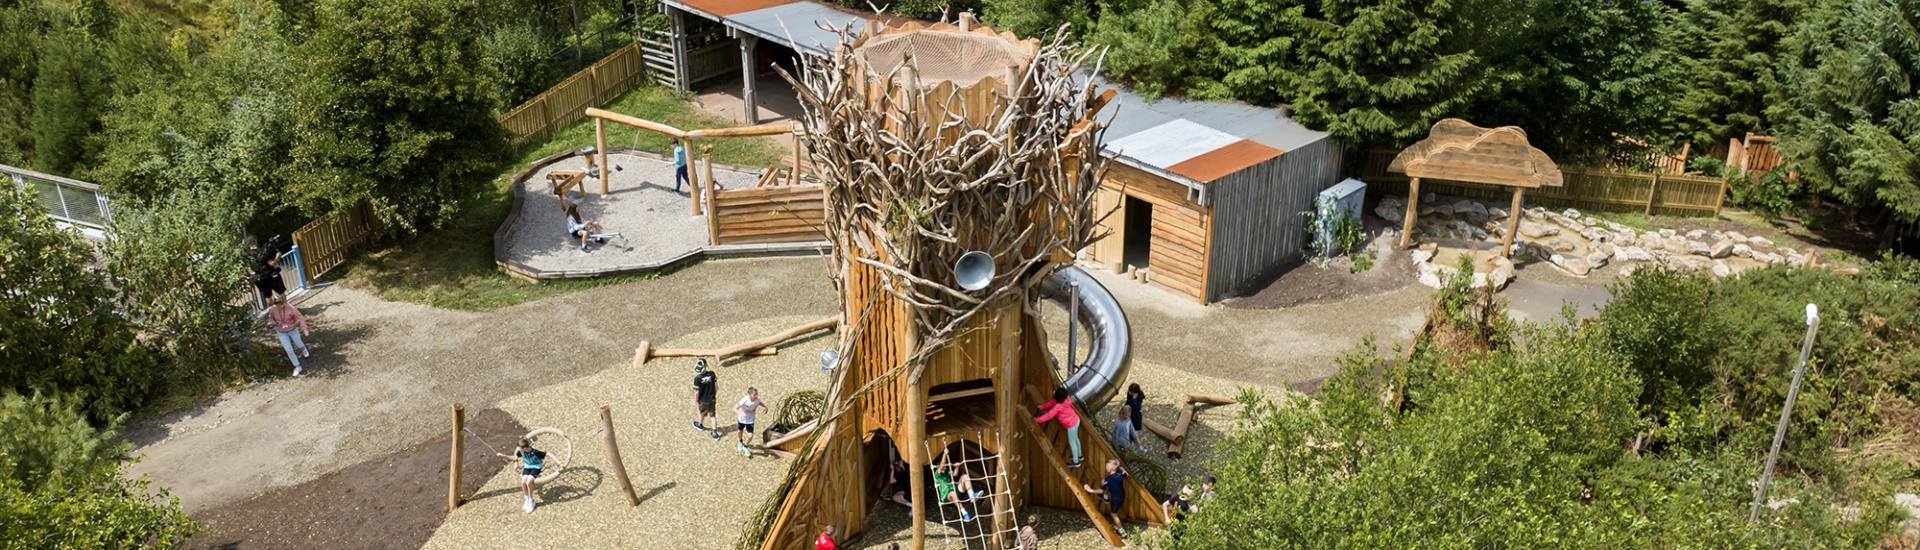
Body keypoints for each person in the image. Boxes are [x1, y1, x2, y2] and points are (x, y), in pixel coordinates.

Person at [1033, 387, 1083, 468]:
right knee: (1076, 439)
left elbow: (1049, 415)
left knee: (1072, 442)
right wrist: (1042, 407)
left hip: (1071, 425)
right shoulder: (1066, 399)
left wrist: (1038, 420)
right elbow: (1051, 403)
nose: (1054, 390)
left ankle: (1076, 462)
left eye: (1055, 391)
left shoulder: (1058, 406)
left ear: (1058, 396)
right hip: (1076, 420)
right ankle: (1080, 456)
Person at [496, 438, 547, 513]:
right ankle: (526, 499)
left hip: (536, 467)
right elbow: (515, 458)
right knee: (523, 481)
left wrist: (558, 462)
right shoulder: (521, 451)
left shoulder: (535, 452)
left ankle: (531, 501)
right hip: (527, 467)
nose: (518, 450)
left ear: (525, 448)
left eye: (520, 448)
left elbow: (547, 454)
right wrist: (503, 456)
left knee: (529, 481)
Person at [264, 295, 310, 376]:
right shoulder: (272, 309)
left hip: (293, 329)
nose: (279, 306)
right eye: (277, 304)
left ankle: (303, 349)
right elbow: (270, 318)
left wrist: (304, 328)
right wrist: (274, 323)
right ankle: (297, 366)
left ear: (284, 302)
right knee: (289, 350)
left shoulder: (290, 307)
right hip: (281, 332)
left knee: (298, 343)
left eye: (280, 304)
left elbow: (299, 317)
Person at [932, 451, 984, 521]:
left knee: (964, 476)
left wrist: (957, 467)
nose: (945, 467)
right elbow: (941, 466)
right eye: (943, 466)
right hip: (946, 497)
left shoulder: (947, 473)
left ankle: (972, 495)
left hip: (955, 493)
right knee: (952, 494)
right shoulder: (937, 475)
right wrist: (944, 454)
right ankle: (965, 514)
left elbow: (955, 475)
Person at [1080, 459, 1127, 530]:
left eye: (1107, 467)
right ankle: (1105, 497)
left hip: (1115, 499)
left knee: (1114, 514)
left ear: (1110, 469)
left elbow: (1101, 490)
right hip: (1122, 496)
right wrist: (1120, 466)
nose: (1106, 468)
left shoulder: (1108, 479)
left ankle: (1121, 530)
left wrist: (1090, 490)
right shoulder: (1119, 475)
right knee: (1105, 485)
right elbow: (1125, 473)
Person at [692, 359, 720, 440]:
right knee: (713, 415)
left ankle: (700, 425)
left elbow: (696, 391)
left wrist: (696, 400)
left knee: (702, 413)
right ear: (706, 366)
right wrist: (714, 394)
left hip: (703, 400)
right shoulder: (712, 374)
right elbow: (716, 386)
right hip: (712, 399)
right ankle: (715, 433)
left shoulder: (697, 378)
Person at [735, 387, 768, 455]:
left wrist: (765, 407)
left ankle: (745, 446)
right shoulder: (745, 399)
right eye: (754, 394)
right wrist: (739, 413)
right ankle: (740, 442)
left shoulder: (757, 400)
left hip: (750, 420)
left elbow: (759, 402)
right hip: (741, 419)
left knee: (750, 436)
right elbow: (735, 408)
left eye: (757, 394)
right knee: (740, 431)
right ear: (750, 395)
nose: (756, 396)